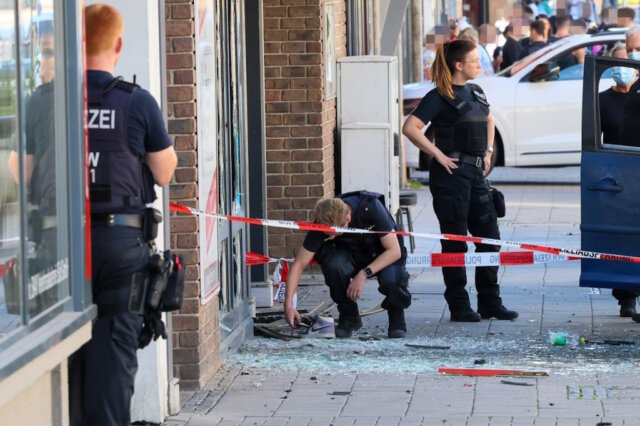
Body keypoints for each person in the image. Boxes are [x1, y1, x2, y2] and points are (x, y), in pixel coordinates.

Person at [68, 4, 177, 425]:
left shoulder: (49, 101)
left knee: (67, 367)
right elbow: (165, 173)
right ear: (117, 44)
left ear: (76, 43)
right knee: (112, 369)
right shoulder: (137, 103)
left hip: (64, 251)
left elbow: (21, 173)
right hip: (119, 250)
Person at [402, 39, 518, 322]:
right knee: (455, 243)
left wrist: (488, 152)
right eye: (475, 60)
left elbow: (489, 121)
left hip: (477, 176)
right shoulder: (439, 96)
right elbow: (410, 127)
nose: (480, 65)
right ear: (458, 65)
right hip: (451, 177)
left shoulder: (476, 91)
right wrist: (437, 155)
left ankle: (490, 302)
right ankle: (459, 306)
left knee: (489, 239)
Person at [284, 192, 412, 338]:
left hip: (383, 254)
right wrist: (288, 306)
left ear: (348, 219)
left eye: (334, 233)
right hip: (351, 255)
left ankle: (396, 316)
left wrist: (364, 274)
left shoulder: (371, 208)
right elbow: (299, 265)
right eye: (327, 234)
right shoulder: (323, 220)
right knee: (333, 265)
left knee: (391, 278)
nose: (330, 237)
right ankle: (349, 316)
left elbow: (395, 251)